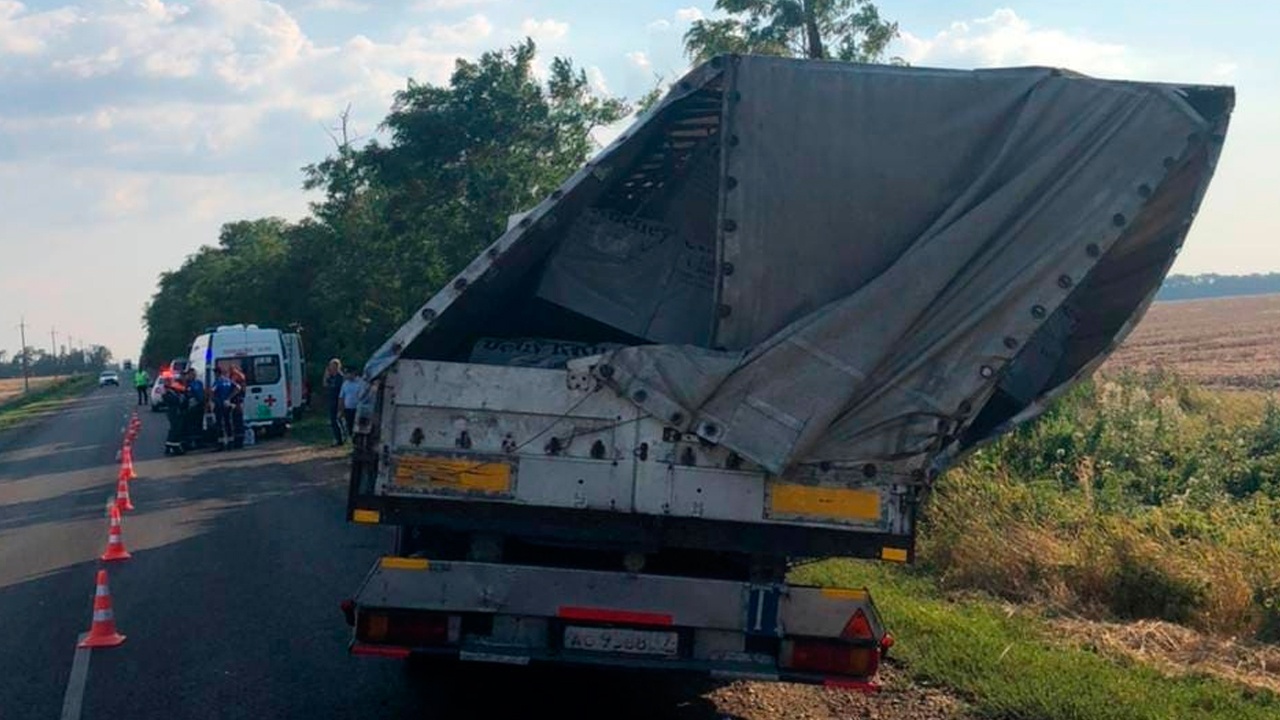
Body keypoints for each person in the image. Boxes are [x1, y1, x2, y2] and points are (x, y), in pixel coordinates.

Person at [210, 366, 235, 451]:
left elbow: (212, 392)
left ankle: (221, 444)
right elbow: (238, 388)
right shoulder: (227, 380)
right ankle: (231, 443)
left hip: (219, 405)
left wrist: (214, 400)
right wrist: (229, 398)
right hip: (227, 404)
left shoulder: (217, 381)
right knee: (229, 423)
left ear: (217, 373)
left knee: (220, 424)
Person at [338, 367, 365, 441]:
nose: (346, 376)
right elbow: (341, 397)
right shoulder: (345, 384)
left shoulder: (361, 382)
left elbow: (363, 396)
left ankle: (358, 439)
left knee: (357, 425)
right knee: (349, 424)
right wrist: (340, 409)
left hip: (358, 408)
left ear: (353, 374)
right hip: (348, 408)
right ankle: (352, 439)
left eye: (348, 374)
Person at [182, 368, 206, 450]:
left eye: (193, 374)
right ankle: (191, 442)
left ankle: (199, 442)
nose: (192, 375)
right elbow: (186, 395)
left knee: (199, 425)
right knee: (191, 426)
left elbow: (202, 393)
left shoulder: (199, 383)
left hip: (199, 406)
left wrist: (203, 402)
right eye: (191, 374)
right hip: (191, 407)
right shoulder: (187, 384)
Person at [323, 358, 345, 446]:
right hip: (332, 401)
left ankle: (341, 439)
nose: (330, 368)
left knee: (338, 420)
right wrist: (326, 373)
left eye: (331, 366)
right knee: (333, 421)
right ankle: (337, 438)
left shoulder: (340, 377)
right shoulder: (331, 377)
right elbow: (325, 384)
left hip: (338, 401)